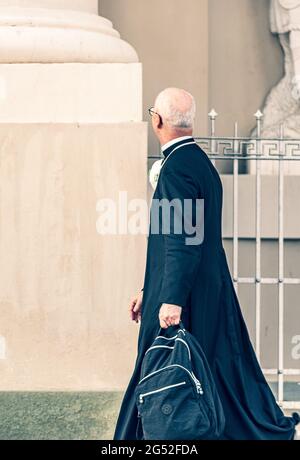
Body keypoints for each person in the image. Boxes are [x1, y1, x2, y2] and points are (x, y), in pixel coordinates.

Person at [113, 88, 299, 440]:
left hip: (184, 294)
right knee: (214, 371)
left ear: (158, 120)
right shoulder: (199, 162)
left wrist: (169, 299)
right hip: (202, 288)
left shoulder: (176, 169)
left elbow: (181, 242)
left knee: (162, 368)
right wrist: (147, 289)